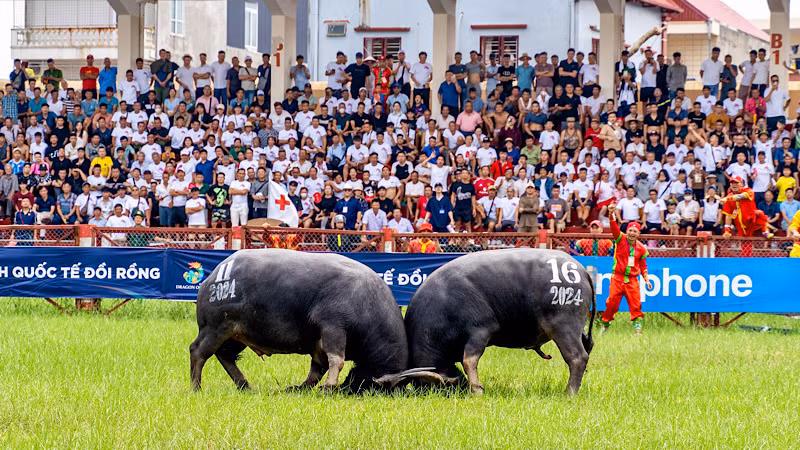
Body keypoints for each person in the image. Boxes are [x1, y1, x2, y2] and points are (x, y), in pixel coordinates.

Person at [601, 202, 652, 335]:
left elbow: (643, 266)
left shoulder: (642, 249)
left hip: (632, 280)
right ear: (627, 231)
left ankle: (638, 331)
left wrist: (646, 279)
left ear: (639, 233)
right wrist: (611, 213)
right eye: (630, 230)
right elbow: (613, 227)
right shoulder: (620, 239)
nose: (632, 233)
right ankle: (605, 326)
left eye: (635, 231)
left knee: (636, 304)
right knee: (611, 304)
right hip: (617, 278)